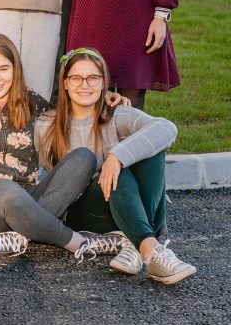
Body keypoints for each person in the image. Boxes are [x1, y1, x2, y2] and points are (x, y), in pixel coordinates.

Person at [0, 34, 118, 260]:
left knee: (84, 157)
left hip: (30, 197)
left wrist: (101, 96)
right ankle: (78, 242)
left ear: (15, 69)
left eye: (3, 69)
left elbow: (71, 107)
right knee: (5, 188)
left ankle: (21, 236)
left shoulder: (32, 101)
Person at [36, 48, 194, 284]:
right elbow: (41, 179)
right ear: (65, 83)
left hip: (123, 205)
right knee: (121, 173)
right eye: (76, 78)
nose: (84, 85)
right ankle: (149, 246)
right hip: (84, 212)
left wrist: (116, 157)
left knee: (149, 151)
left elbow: (166, 128)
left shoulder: (117, 114)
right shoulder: (46, 124)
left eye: (93, 78)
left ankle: (138, 245)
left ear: (103, 83)